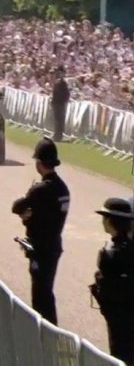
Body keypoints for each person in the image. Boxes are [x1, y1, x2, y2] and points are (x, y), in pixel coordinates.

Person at [89, 198, 134, 366]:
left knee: (125, 361)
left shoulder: (120, 252)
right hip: (117, 312)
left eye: (105, 218)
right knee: (121, 359)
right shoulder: (122, 248)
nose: (103, 222)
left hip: (121, 313)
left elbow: (129, 289)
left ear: (111, 221)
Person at [12, 137, 70, 325]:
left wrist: (28, 215)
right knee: (46, 291)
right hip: (54, 245)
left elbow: (17, 206)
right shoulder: (63, 189)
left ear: (39, 163)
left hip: (39, 247)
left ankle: (46, 335)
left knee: (40, 297)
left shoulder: (40, 190)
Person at [51, 66, 70, 142]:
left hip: (59, 103)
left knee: (59, 120)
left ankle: (58, 136)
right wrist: (66, 97)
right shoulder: (60, 82)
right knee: (59, 120)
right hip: (59, 103)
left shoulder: (60, 82)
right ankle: (58, 136)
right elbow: (62, 93)